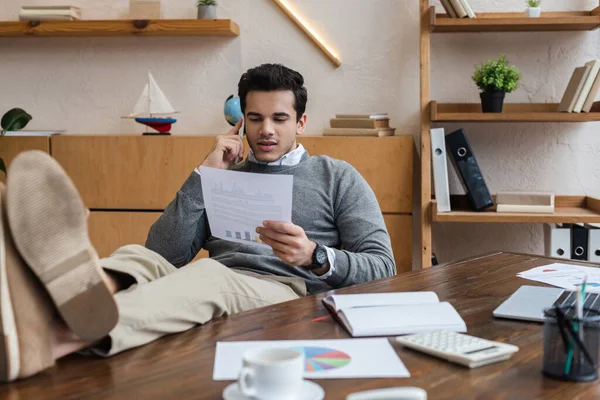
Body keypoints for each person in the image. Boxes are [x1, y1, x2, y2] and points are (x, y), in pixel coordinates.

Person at [0, 63, 396, 382]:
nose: (267, 130)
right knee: (138, 257)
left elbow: (383, 266)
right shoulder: (223, 172)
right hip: (219, 277)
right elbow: (163, 253)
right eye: (255, 118)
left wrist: (315, 256)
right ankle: (72, 296)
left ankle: (50, 340)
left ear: (301, 122)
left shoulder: (337, 176)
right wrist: (204, 174)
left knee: (209, 274)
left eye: (279, 118)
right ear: (241, 122)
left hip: (286, 290)